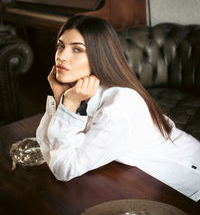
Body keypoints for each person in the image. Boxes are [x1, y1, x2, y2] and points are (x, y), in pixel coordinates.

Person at [36, 15, 200, 201]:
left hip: (185, 176)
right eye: (61, 46)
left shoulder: (121, 103)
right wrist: (60, 100)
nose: (62, 56)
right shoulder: (82, 90)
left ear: (99, 56)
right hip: (134, 171)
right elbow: (44, 142)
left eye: (77, 49)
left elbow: (64, 169)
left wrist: (68, 104)